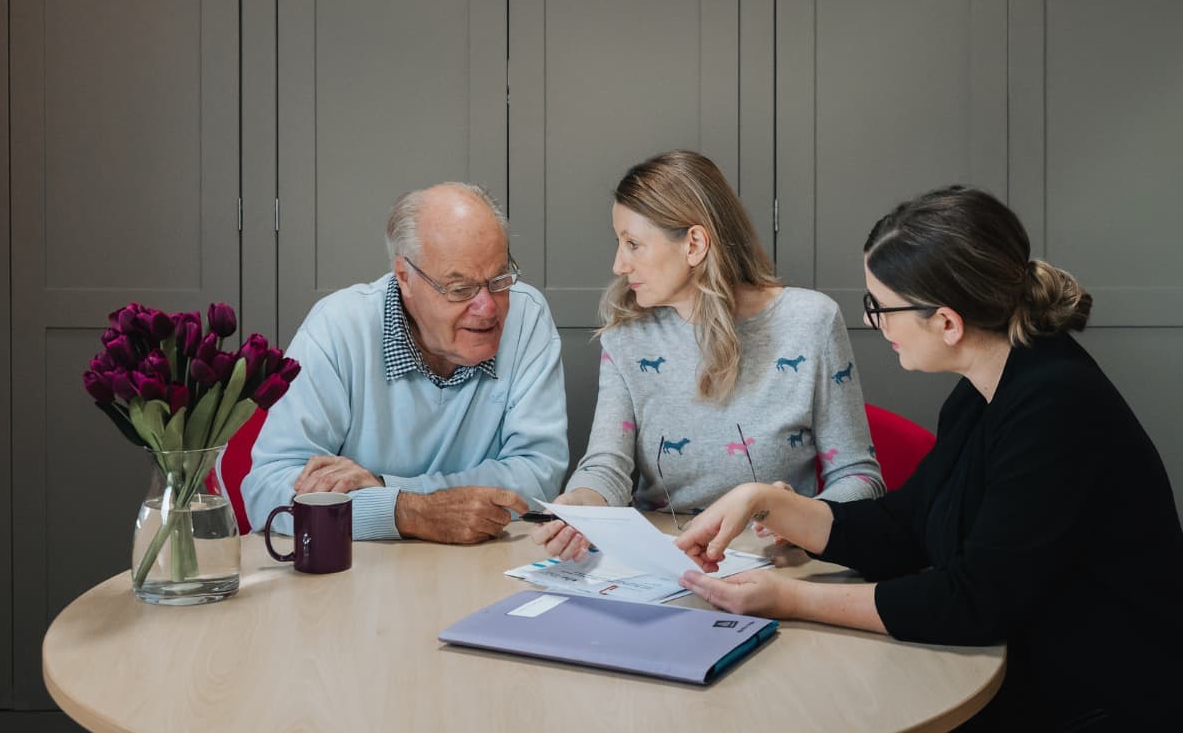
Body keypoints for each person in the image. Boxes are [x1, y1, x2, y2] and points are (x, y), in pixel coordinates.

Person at [676, 185, 1183, 729]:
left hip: (1097, 702)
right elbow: (909, 524)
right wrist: (766, 504)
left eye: (880, 307)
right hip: (1032, 672)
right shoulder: (984, 386)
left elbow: (971, 602)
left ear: (946, 322)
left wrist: (789, 600)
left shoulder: (1054, 406)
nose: (874, 323)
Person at [533, 150, 882, 561]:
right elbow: (607, 465)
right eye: (619, 243)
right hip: (665, 563)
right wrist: (579, 505)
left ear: (694, 244)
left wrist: (799, 514)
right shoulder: (627, 337)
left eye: (633, 244)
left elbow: (859, 478)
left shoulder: (811, 322)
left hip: (777, 570)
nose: (618, 264)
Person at [243, 182, 569, 544]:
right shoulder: (338, 328)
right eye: (460, 289)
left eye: (499, 280)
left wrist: (388, 489)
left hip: (489, 566)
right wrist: (405, 512)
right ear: (405, 278)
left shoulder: (526, 315)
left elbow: (539, 474)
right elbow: (267, 491)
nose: (488, 307)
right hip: (362, 579)